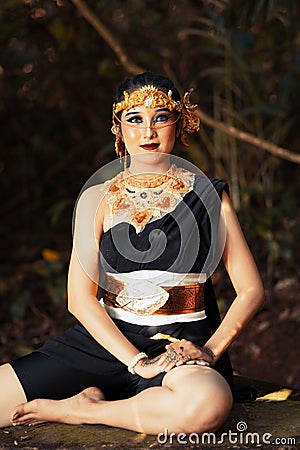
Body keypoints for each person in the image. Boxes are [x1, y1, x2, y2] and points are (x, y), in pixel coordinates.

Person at [0, 72, 264, 435]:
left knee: (205, 406)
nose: (148, 132)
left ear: (180, 122)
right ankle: (109, 391)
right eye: (135, 119)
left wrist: (211, 351)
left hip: (179, 346)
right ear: (117, 128)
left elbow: (251, 290)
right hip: (105, 341)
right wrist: (137, 362)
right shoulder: (97, 197)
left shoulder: (209, 196)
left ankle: (84, 410)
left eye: (161, 117)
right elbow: (79, 299)